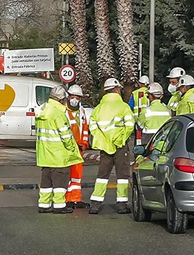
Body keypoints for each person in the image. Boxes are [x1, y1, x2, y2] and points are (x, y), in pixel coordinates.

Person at [87, 77, 135, 214]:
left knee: (102, 176)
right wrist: (121, 139)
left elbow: (92, 126)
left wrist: (102, 139)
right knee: (122, 176)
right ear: (117, 89)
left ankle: (95, 205)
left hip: (104, 147)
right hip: (120, 146)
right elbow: (130, 126)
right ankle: (121, 205)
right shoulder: (124, 107)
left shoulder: (98, 108)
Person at [35, 79, 83, 214]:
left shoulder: (43, 110)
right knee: (60, 183)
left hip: (44, 155)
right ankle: (59, 205)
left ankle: (44, 205)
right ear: (62, 100)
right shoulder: (58, 113)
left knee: (46, 182)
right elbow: (66, 136)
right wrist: (72, 149)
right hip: (59, 156)